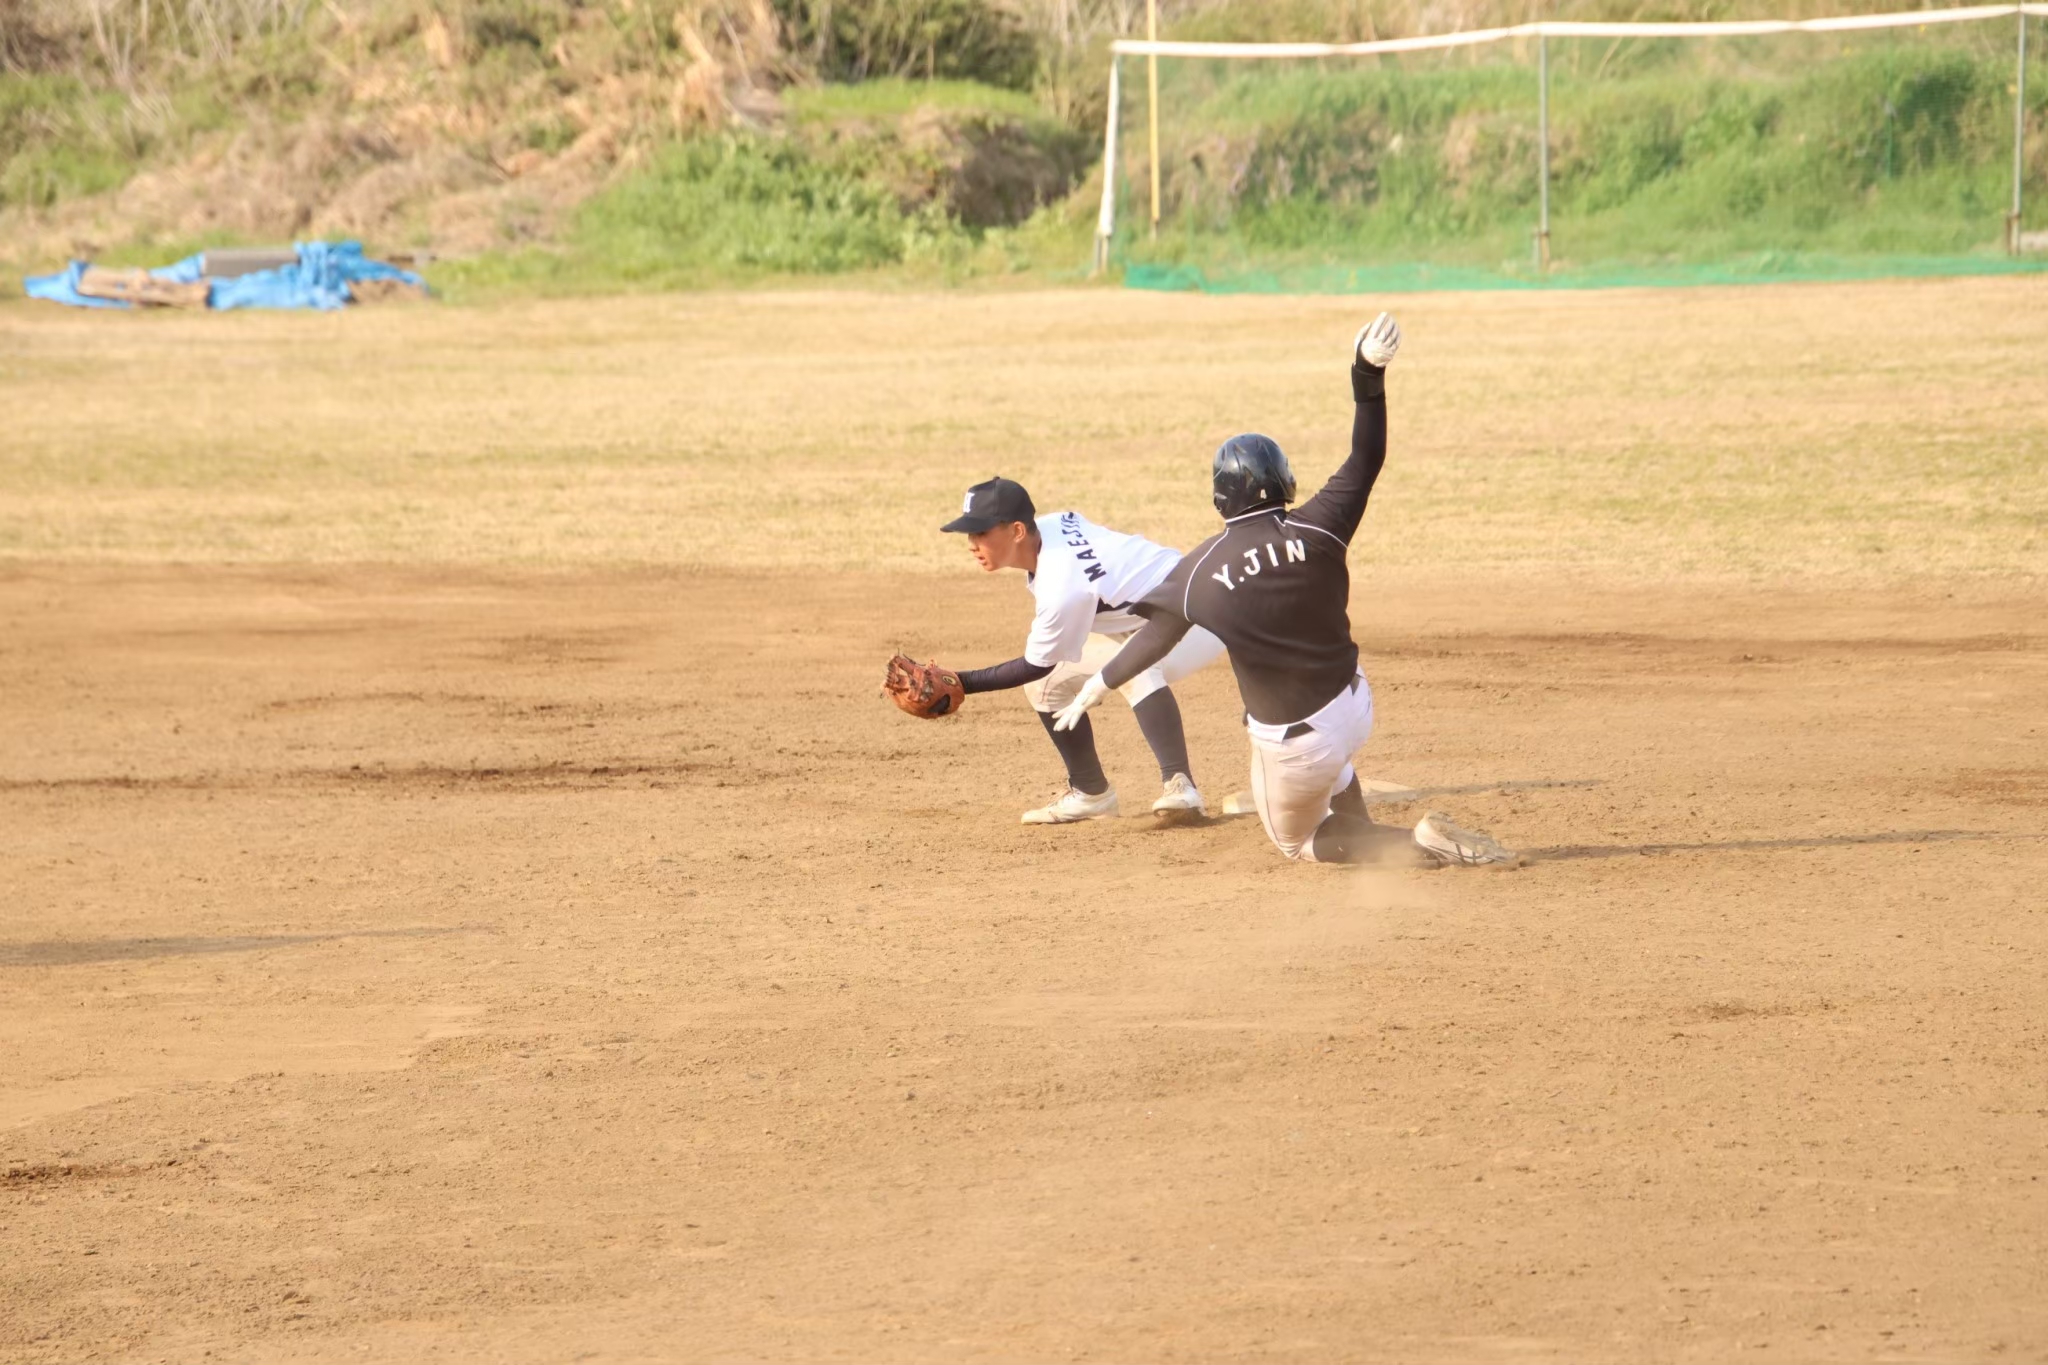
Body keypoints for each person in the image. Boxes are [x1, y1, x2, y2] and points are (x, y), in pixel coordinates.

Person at [1052, 313, 1514, 867]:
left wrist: (1096, 685)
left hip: (1297, 746)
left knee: (1297, 841)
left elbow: (1158, 636)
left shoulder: (1200, 571)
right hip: (1355, 704)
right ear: (1283, 480)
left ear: (1222, 498)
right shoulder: (1321, 525)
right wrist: (1367, 373)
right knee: (1333, 756)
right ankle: (1362, 820)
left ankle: (1415, 845)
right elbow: (1366, 458)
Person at [938, 477, 1228, 824]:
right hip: (1166, 604)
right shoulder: (1049, 526)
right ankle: (1091, 793)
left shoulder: (1063, 586)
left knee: (1131, 667)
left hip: (1197, 618)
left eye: (981, 533)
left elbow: (1035, 664)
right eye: (970, 534)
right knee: (1046, 688)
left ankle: (1181, 786)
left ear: (1017, 531)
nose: (972, 544)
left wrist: (961, 682)